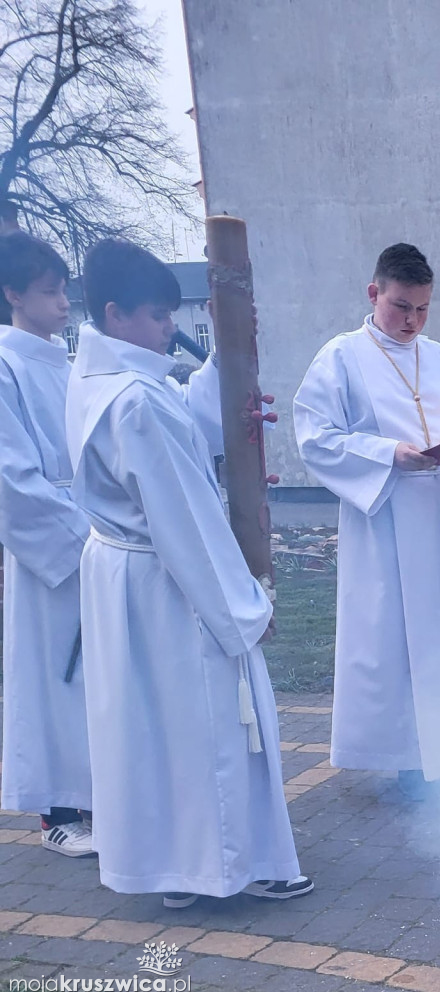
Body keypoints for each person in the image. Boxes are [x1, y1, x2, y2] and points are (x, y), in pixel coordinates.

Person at [65, 238, 311, 908]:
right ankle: (235, 865)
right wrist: (244, 609)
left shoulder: (97, 379)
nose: (169, 326)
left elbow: (182, 434)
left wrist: (227, 382)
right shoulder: (138, 399)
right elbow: (187, 517)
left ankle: (178, 868)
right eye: (155, 315)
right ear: (115, 315)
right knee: (214, 722)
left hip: (126, 581)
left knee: (157, 732)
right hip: (170, 584)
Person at [293, 243, 440, 801]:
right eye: (400, 307)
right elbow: (315, 439)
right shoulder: (340, 357)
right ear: (373, 294)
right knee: (397, 639)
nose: (411, 321)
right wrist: (389, 454)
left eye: (422, 309)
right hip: (387, 518)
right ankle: (409, 764)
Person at [0, 233, 92, 856]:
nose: (63, 304)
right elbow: (11, 474)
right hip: (52, 545)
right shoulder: (5, 365)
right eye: (49, 292)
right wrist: (79, 538)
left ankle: (106, 795)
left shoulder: (73, 360)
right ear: (13, 295)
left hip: (99, 529)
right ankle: (59, 812)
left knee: (99, 674)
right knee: (56, 674)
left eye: (64, 290)